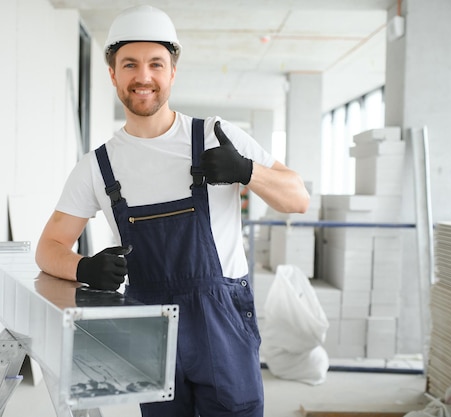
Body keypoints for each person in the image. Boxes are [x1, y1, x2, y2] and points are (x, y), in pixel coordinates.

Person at [36, 5, 310, 417]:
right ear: (113, 74)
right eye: (130, 64)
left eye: (155, 64)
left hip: (223, 322)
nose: (143, 76)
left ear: (172, 72)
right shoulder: (97, 166)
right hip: (152, 327)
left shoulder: (216, 136)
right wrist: (84, 268)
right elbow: (48, 247)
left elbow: (298, 198)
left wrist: (247, 170)